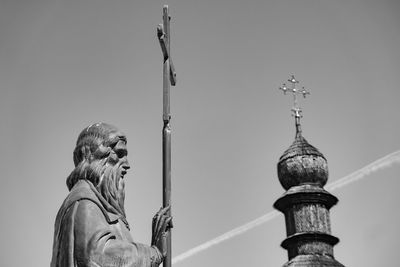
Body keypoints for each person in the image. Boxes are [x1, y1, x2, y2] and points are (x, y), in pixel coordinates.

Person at [51, 123, 172, 267]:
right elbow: (98, 256)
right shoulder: (84, 202)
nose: (127, 164)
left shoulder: (98, 205)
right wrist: (154, 253)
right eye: (119, 154)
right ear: (95, 156)